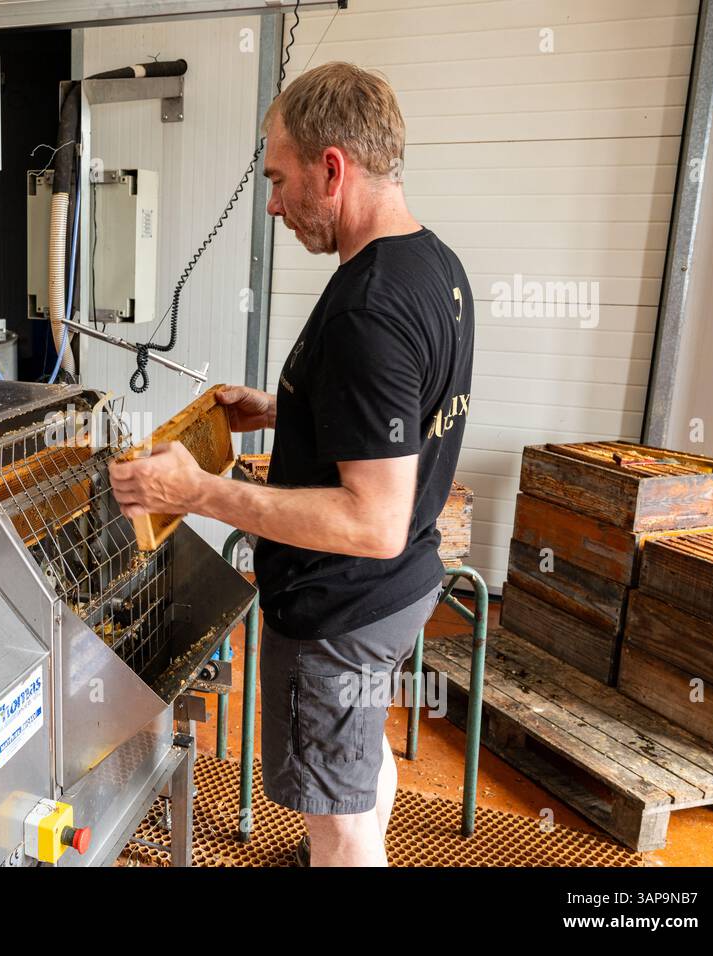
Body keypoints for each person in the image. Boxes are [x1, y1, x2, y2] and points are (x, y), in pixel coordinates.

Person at [108, 61, 474, 867]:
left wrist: (199, 490)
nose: (272, 203)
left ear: (332, 168)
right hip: (400, 594)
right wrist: (287, 409)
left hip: (343, 608)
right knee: (357, 766)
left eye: (277, 179)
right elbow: (400, 416)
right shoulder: (433, 266)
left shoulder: (367, 308)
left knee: (337, 830)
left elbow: (370, 522)